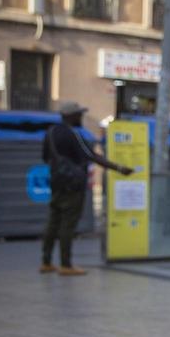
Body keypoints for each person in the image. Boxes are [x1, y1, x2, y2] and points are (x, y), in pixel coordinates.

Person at [40, 102, 133, 275]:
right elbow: (92, 156)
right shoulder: (73, 135)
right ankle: (66, 265)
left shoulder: (51, 133)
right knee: (68, 224)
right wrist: (119, 168)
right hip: (73, 185)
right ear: (71, 116)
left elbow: (45, 157)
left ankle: (46, 262)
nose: (81, 117)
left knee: (53, 221)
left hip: (57, 182)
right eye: (78, 114)